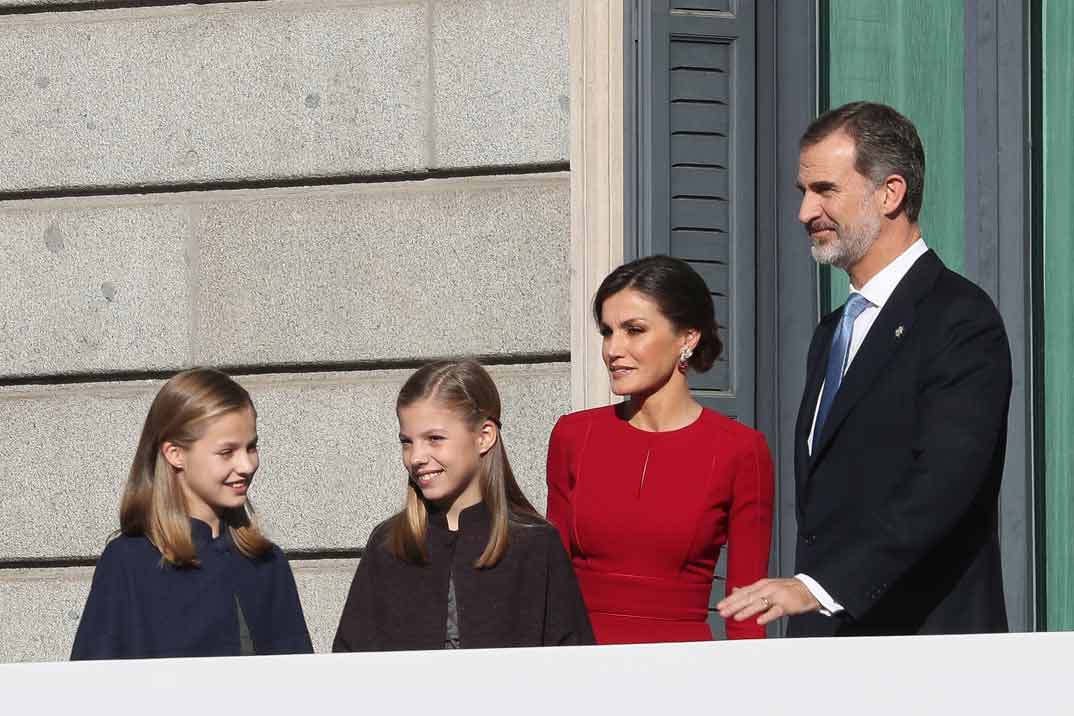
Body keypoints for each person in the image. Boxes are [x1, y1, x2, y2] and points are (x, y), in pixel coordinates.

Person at [718, 101, 1012, 636]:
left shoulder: (960, 319)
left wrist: (821, 587)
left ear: (890, 192)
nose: (805, 212)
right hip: (835, 647)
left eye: (825, 190)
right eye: (803, 193)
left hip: (924, 648)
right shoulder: (833, 331)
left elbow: (944, 485)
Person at [547, 256, 775, 643]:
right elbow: (548, 584)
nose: (613, 349)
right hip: (578, 667)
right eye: (607, 332)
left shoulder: (741, 450)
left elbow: (746, 612)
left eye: (634, 330)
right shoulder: (573, 435)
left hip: (681, 676)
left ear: (687, 337)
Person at [332, 360, 593, 651]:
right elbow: (349, 663)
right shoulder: (388, 545)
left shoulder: (536, 545)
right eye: (407, 442)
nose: (416, 456)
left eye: (434, 439)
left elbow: (572, 665)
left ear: (484, 437)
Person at [71, 368, 313, 659]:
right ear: (175, 454)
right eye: (227, 452)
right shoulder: (129, 563)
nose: (247, 465)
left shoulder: (267, 563)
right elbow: (90, 687)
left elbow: (299, 687)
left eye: (251, 447)